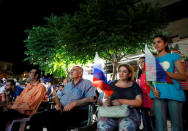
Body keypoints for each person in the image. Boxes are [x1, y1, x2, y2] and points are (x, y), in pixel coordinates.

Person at [29, 66, 97, 131]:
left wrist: (75, 103)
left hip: (78, 112)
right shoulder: (68, 85)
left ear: (80, 73)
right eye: (71, 70)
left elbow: (92, 98)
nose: (71, 71)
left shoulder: (87, 83)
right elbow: (57, 97)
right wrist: (58, 103)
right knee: (35, 117)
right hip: (61, 109)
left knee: (53, 121)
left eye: (74, 70)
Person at [148, 35, 187, 131]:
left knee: (176, 125)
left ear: (165, 44)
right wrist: (153, 89)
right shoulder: (152, 60)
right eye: (154, 43)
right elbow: (149, 80)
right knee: (160, 126)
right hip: (158, 94)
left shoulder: (173, 56)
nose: (156, 44)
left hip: (174, 93)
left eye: (159, 42)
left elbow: (183, 76)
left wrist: (166, 73)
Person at [97, 64, 142, 131]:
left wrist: (120, 101)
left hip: (128, 113)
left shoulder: (134, 85)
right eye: (120, 71)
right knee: (102, 125)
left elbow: (139, 102)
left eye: (124, 71)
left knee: (126, 127)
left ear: (129, 74)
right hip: (111, 112)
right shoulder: (112, 84)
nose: (121, 73)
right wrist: (106, 101)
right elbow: (106, 97)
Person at [137, 57, 154, 131]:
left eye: (143, 61)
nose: (141, 63)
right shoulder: (139, 75)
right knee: (146, 124)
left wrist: (153, 105)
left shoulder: (151, 74)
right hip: (142, 103)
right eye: (139, 62)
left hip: (152, 102)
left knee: (153, 124)